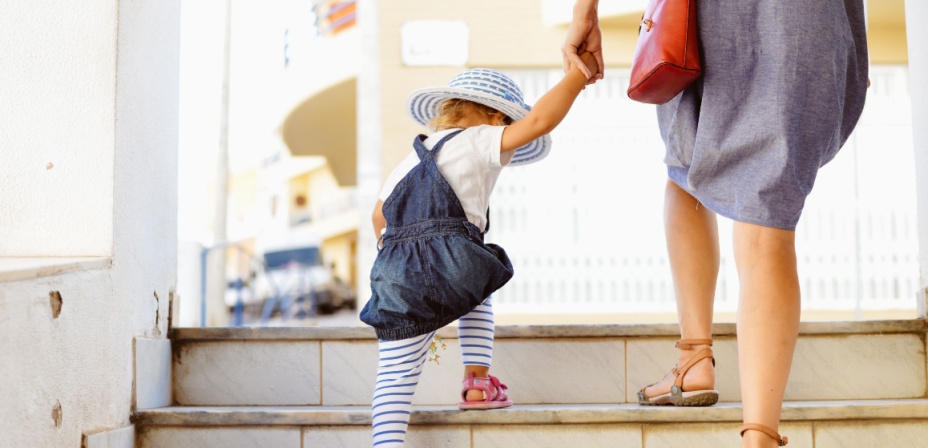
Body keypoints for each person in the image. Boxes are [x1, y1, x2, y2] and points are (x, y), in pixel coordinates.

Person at [563, 0, 868, 447]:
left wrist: (585, 12)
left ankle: (694, 360)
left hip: (709, 12)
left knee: (686, 168)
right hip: (805, 17)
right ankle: (759, 435)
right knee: (767, 211)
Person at [359, 54, 599, 448]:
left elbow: (378, 217)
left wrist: (400, 264)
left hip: (395, 267)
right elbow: (539, 121)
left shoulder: (407, 160)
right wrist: (577, 75)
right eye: (506, 121)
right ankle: (477, 382)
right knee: (476, 281)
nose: (509, 130)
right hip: (452, 256)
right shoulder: (480, 138)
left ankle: (386, 445)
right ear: (489, 115)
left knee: (394, 375)